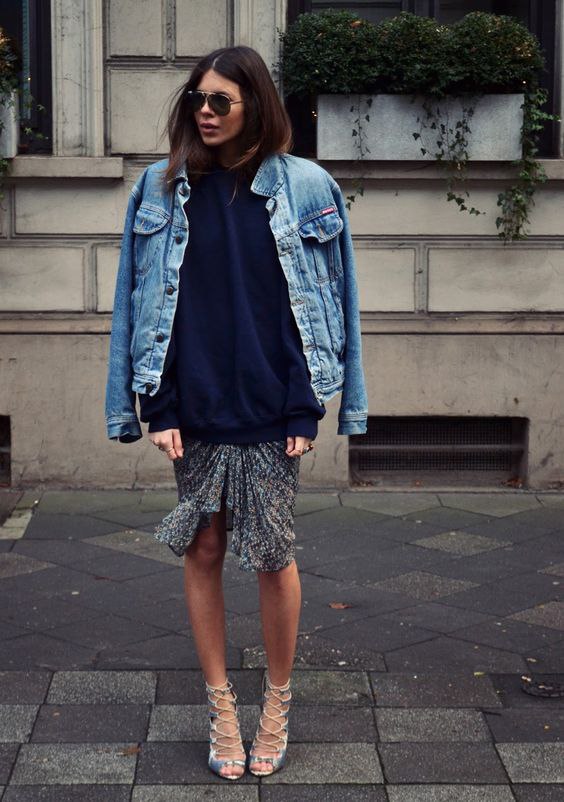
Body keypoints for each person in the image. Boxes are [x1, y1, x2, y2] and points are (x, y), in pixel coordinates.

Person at [105, 45, 368, 781]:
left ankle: (277, 702)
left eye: (220, 100)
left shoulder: (307, 186)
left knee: (274, 555)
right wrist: (155, 405)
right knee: (205, 547)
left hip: (271, 402)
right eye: (197, 99)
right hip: (191, 402)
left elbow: (323, 305)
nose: (205, 112)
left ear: (256, 106)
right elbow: (140, 302)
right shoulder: (160, 188)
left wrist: (306, 408)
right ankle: (221, 704)